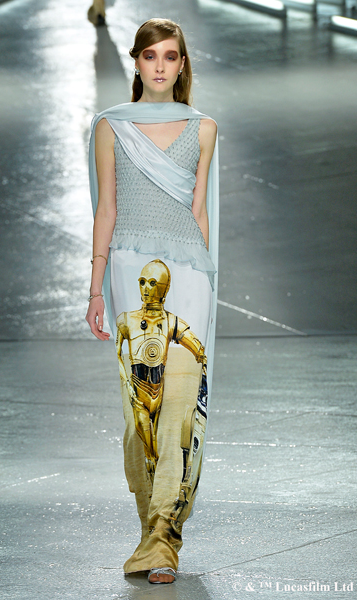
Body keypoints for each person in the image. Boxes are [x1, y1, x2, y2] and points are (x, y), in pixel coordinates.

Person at [86, 18, 219, 584]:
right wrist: (95, 288)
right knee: (139, 411)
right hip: (127, 271)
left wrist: (210, 283)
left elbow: (199, 210)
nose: (160, 66)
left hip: (189, 274)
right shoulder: (110, 126)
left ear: (182, 65)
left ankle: (165, 539)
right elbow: (107, 209)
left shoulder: (204, 128)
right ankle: (150, 531)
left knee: (182, 408)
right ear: (136, 62)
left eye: (170, 56)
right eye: (150, 56)